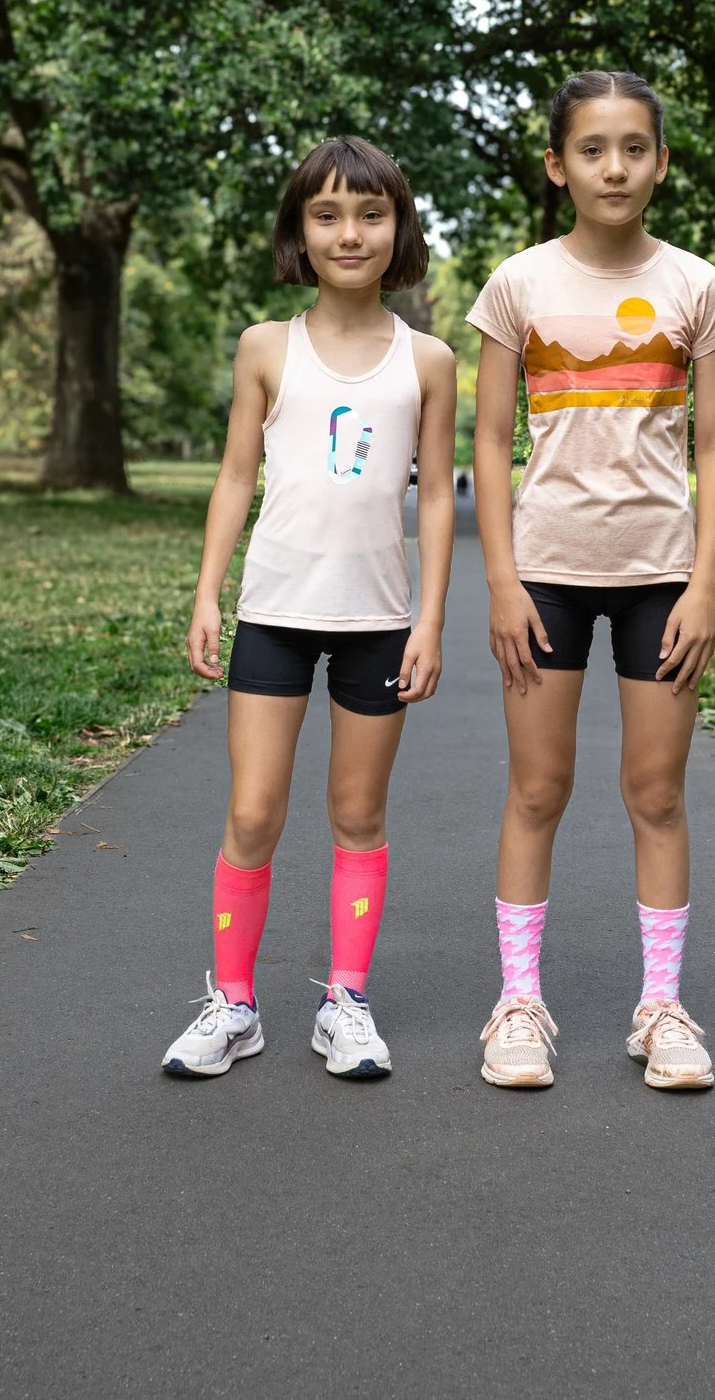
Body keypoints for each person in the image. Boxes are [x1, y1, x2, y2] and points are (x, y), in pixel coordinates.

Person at [466, 71, 715, 1091]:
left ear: (661, 161)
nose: (613, 166)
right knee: (538, 787)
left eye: (634, 147)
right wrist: (499, 579)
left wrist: (704, 583)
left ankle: (660, 1005)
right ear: (557, 165)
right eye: (591, 148)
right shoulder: (516, 285)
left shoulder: (695, 287)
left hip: (659, 577)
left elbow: (714, 448)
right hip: (544, 573)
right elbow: (488, 443)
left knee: (655, 791)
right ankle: (518, 1003)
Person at [162, 137, 457, 1080]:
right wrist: (208, 592)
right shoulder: (264, 348)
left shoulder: (431, 360)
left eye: (371, 214)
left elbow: (440, 496)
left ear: (399, 229)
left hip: (377, 617)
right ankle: (235, 1003)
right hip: (277, 613)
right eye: (327, 214)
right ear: (299, 230)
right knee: (253, 812)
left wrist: (431, 619)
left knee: (357, 810)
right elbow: (236, 474)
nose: (350, 232)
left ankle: (346, 1002)